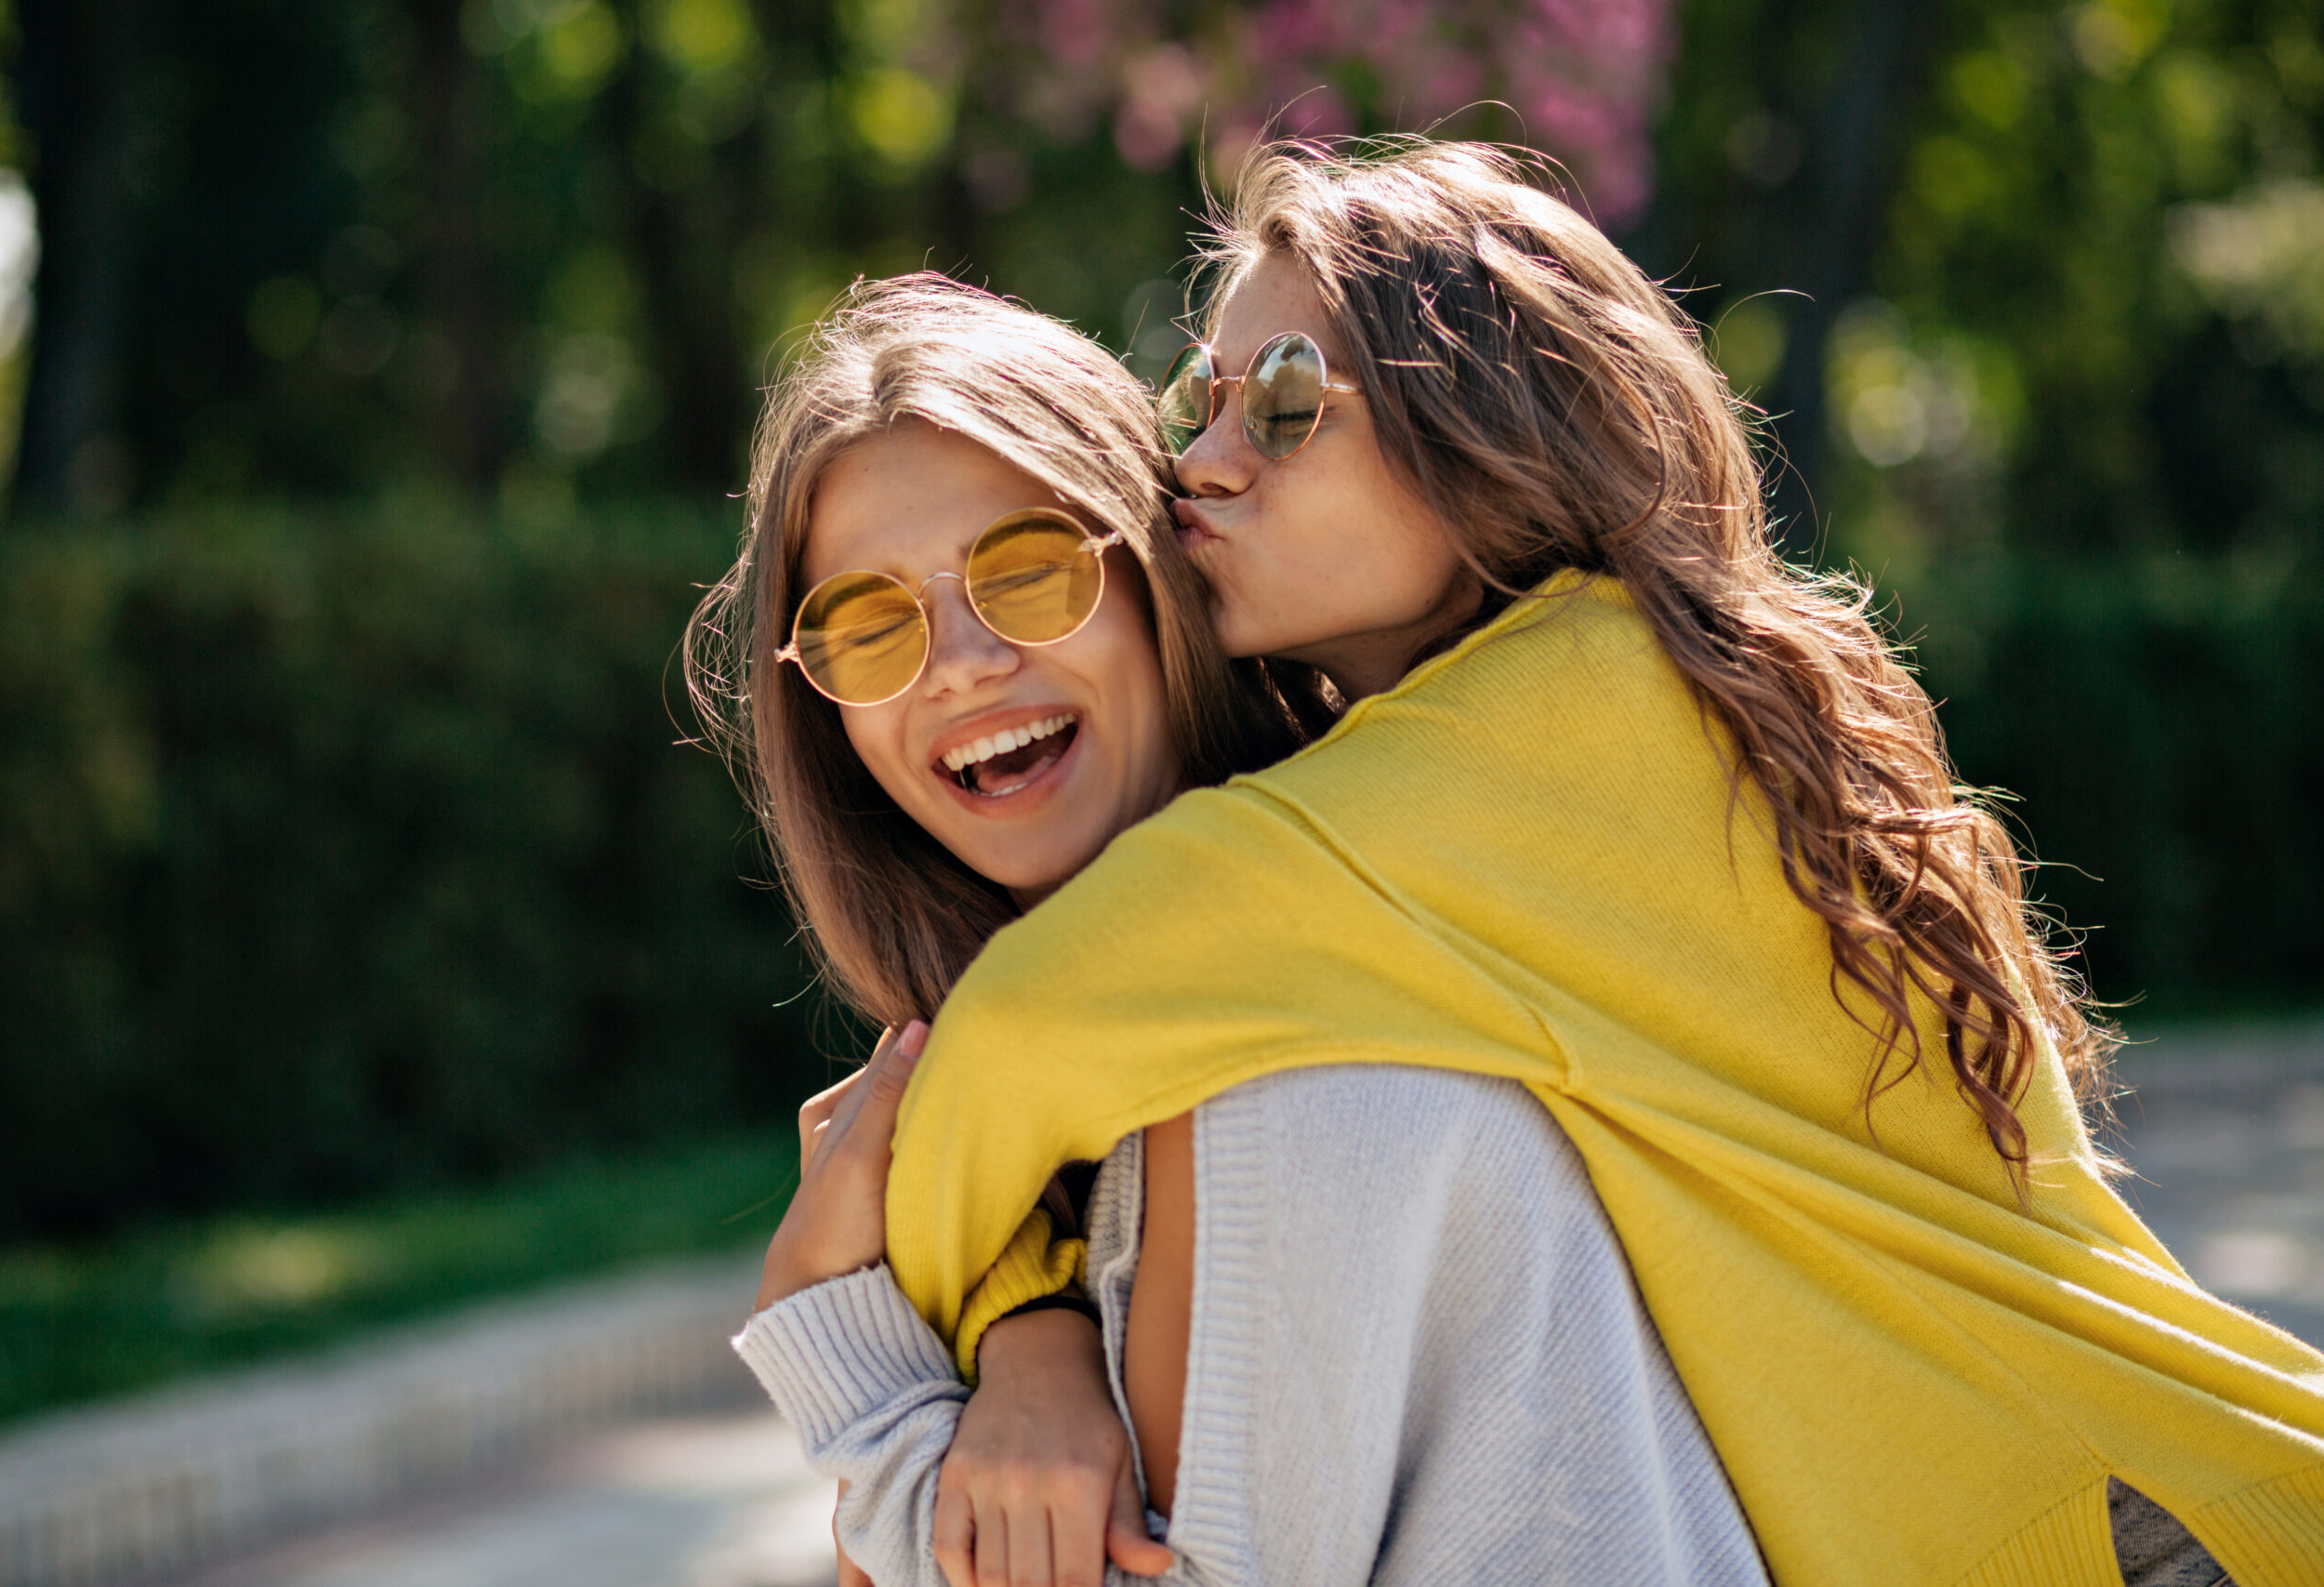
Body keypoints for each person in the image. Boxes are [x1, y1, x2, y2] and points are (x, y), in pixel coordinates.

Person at [872, 140, 2324, 1587]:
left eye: (1290, 405)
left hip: (2111, 1540)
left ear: (1486, 423)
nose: (1200, 462)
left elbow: (1019, 1034)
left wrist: (972, 1315)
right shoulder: (1642, 682)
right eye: (1203, 399)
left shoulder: (1503, 757)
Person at [687, 271, 1770, 1586]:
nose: (963, 661)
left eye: (1029, 568)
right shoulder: (1055, 1121)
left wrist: (844, 1352)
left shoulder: (1286, 1052)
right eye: (868, 628)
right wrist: (1019, 1321)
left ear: (1158, 567)